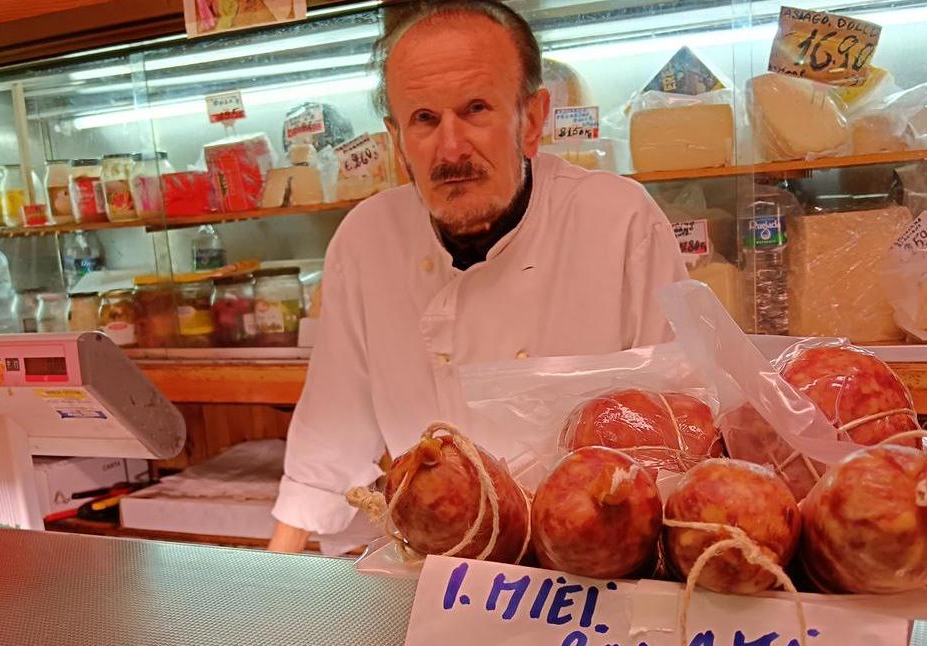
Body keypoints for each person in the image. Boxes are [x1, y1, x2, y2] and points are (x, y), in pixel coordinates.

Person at [268, 0, 686, 553]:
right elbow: (328, 437)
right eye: (424, 119)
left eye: (476, 109)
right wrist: (270, 593)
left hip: (588, 573)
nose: (451, 148)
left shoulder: (619, 222)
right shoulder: (366, 240)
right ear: (398, 143)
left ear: (532, 120)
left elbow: (675, 438)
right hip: (433, 566)